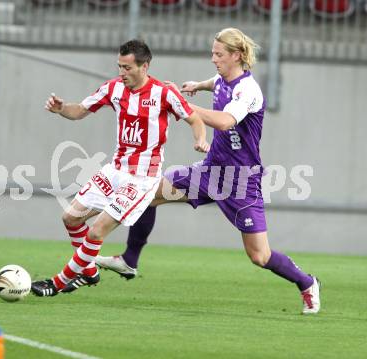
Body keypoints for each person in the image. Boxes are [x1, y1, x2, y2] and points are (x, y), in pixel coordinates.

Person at [95, 28, 321, 314]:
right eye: (213, 52)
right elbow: (214, 83)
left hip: (241, 181)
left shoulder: (248, 90)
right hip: (209, 171)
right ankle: (130, 259)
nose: (213, 58)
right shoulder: (224, 79)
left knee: (259, 256)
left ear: (237, 55)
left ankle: (307, 283)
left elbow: (226, 121)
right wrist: (195, 85)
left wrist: (182, 103)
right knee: (146, 194)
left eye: (219, 54)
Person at [31, 39, 210, 297]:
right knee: (70, 218)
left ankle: (57, 283)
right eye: (119, 67)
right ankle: (90, 271)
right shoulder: (114, 88)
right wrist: (61, 109)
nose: (121, 73)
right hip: (114, 171)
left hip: (141, 180)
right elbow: (80, 110)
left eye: (127, 68)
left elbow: (194, 118)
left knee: (96, 231)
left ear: (144, 66)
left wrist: (200, 139)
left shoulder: (163, 93)